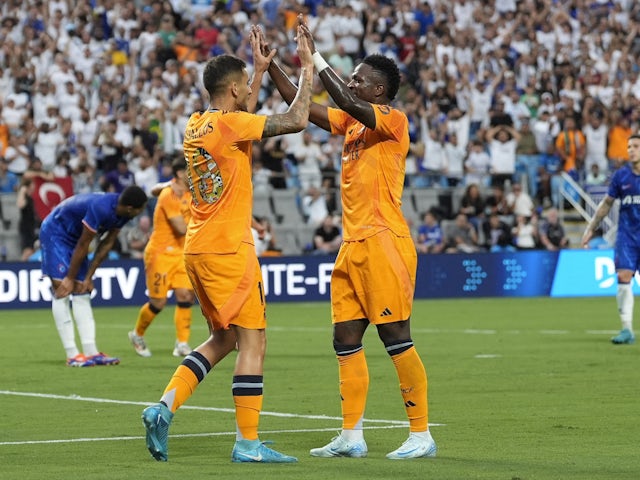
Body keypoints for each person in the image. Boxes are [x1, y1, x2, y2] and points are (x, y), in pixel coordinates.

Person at [262, 22, 437, 459]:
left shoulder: (393, 121)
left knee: (396, 335)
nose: (353, 82)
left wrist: (316, 59)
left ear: (379, 91)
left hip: (384, 241)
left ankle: (421, 434)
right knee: (345, 339)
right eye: (353, 77)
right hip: (352, 244)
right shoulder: (355, 126)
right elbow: (309, 111)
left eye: (360, 78)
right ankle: (352, 435)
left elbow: (340, 97)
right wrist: (271, 67)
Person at [141, 24, 314, 464]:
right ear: (234, 89)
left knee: (221, 338)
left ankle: (163, 408)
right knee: (253, 343)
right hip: (229, 249)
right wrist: (307, 69)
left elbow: (244, 112)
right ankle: (248, 444)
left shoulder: (197, 124)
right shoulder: (233, 124)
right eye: (245, 86)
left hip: (198, 248)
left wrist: (257, 71)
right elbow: (295, 120)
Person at [40, 185, 148, 367]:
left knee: (82, 290)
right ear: (131, 208)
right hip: (55, 233)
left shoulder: (122, 213)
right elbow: (84, 244)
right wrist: (69, 278)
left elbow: (106, 244)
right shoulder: (102, 207)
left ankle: (91, 352)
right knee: (62, 290)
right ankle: (72, 354)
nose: (140, 213)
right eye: (140, 210)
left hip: (75, 239)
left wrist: (89, 276)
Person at [129, 159, 195, 358]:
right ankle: (137, 334)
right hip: (161, 253)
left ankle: (182, 343)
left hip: (181, 252)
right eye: (189, 169)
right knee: (158, 302)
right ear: (179, 172)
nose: (193, 172)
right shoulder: (169, 195)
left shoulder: (191, 191)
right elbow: (181, 228)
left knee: (185, 295)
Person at [581, 134, 640, 345]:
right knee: (624, 277)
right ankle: (627, 330)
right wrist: (591, 228)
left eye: (635, 146)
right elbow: (606, 204)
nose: (631, 150)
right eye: (629, 146)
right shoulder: (621, 176)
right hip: (627, 237)